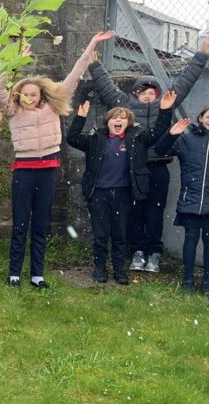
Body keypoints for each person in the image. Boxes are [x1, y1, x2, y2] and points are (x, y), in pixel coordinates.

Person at [0, 31, 114, 289]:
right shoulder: (13, 112)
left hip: (47, 171)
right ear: (19, 96)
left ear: (41, 95)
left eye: (34, 94)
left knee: (40, 224)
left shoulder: (51, 108)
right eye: (25, 94)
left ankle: (37, 275)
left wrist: (91, 44)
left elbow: (74, 76)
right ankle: (14, 273)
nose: (30, 98)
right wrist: (13, 61)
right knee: (20, 224)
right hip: (23, 172)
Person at [88, 35, 209, 273]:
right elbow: (106, 87)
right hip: (133, 169)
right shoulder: (124, 105)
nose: (147, 95)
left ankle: (154, 252)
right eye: (142, 91)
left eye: (151, 91)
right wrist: (93, 64)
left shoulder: (164, 104)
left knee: (155, 212)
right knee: (134, 212)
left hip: (158, 167)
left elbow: (185, 81)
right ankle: (137, 252)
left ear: (157, 94)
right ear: (135, 93)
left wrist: (202, 55)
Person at [67, 93, 174, 285]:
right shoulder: (95, 140)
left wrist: (165, 110)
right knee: (100, 235)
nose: (118, 120)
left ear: (129, 123)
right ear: (107, 122)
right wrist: (80, 117)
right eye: (115, 118)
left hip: (124, 194)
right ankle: (99, 268)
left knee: (120, 235)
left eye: (123, 118)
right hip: (98, 194)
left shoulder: (137, 140)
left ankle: (118, 269)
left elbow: (158, 132)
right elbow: (72, 138)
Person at [153, 104, 209, 293]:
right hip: (191, 200)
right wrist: (172, 134)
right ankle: (187, 281)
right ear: (201, 118)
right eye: (208, 116)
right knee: (191, 240)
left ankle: (208, 283)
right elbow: (160, 150)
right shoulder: (187, 139)